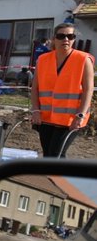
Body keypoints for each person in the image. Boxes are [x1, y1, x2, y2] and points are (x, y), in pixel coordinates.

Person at [30, 23, 93, 157]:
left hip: (70, 119)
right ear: (54, 39)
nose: (66, 39)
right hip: (46, 118)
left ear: (74, 39)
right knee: (48, 155)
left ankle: (59, 177)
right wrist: (35, 110)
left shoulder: (83, 59)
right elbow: (35, 88)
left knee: (56, 154)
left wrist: (80, 115)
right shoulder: (43, 60)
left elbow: (88, 90)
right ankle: (54, 178)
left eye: (70, 36)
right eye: (61, 36)